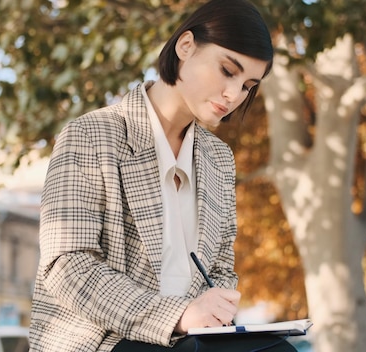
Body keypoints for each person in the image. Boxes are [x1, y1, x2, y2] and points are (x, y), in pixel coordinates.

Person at [29, 0, 296, 351]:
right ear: (185, 46)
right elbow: (68, 268)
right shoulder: (92, 135)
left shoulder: (219, 159)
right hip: (105, 340)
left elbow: (219, 270)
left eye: (248, 85)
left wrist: (213, 309)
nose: (234, 95)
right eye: (228, 71)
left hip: (190, 340)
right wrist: (178, 315)